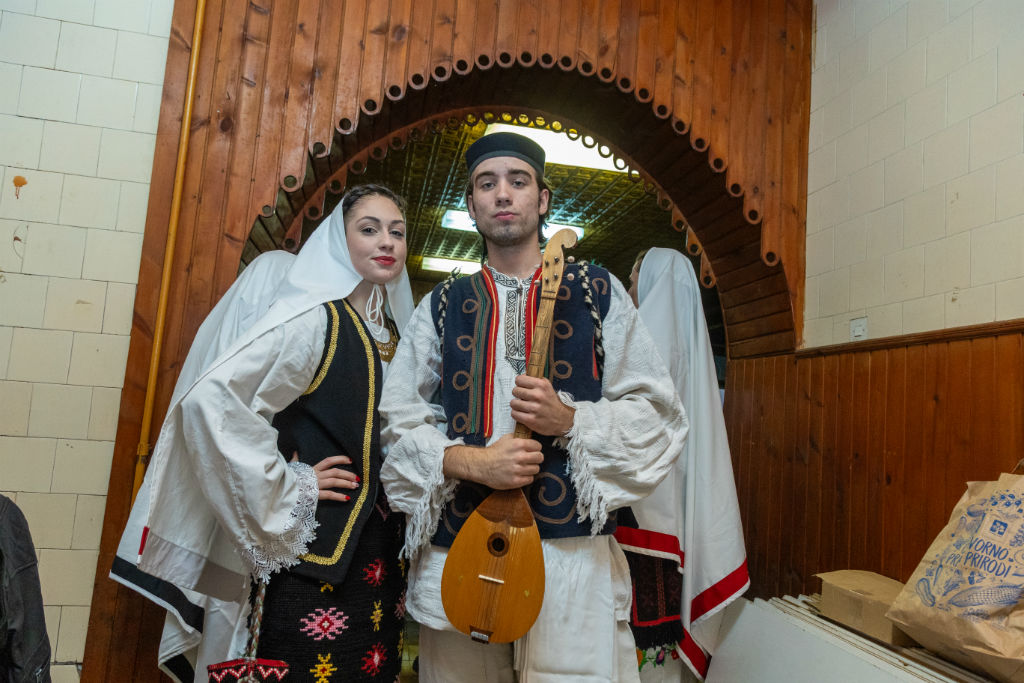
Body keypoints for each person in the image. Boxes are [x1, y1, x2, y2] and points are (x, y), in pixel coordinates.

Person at [379, 132, 689, 682]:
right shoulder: (443, 305)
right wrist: (471, 462)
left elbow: (658, 414)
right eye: (487, 184)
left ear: (542, 199)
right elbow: (397, 420)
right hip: (461, 553)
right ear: (471, 204)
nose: (503, 194)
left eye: (518, 181)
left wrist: (569, 420)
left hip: (571, 560)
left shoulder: (597, 292)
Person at [122, 185, 415, 682]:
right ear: (339, 241)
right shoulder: (316, 320)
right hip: (314, 555)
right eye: (369, 230)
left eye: (397, 232)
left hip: (382, 556)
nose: (386, 241)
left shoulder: (396, 334)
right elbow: (213, 401)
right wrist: (288, 483)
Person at [619, 248, 749, 681]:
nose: (629, 290)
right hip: (677, 518)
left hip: (641, 518)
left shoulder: (641, 348)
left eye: (634, 280)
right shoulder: (693, 352)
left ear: (651, 283)